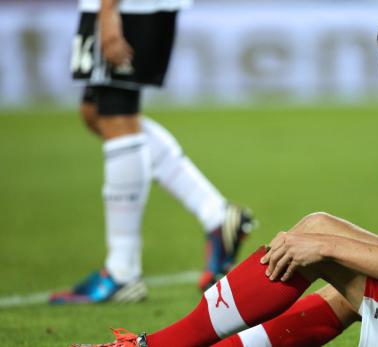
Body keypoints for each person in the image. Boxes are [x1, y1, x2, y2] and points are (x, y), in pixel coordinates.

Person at [72, 12, 378, 346]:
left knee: (323, 240)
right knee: (337, 268)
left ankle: (155, 346)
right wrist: (325, 251)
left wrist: (322, 247)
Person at [49, 0, 255, 304]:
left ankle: (122, 272)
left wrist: (108, 10)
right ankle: (216, 214)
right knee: (96, 112)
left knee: (117, 114)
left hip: (128, 7)